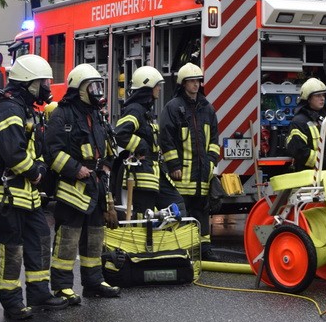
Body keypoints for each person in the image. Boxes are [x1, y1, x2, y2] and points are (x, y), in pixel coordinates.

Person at [0, 54, 68, 321]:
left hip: (27, 193)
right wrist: (35, 172)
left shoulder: (26, 109)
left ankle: (39, 293)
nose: (47, 88)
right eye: (43, 82)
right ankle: (12, 301)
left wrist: (40, 166)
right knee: (11, 247)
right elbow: (12, 152)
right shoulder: (8, 109)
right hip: (9, 192)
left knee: (40, 238)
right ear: (29, 83)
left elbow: (34, 147)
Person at [45, 64, 121, 301]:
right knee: (68, 238)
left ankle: (94, 281)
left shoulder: (97, 114)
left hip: (96, 185)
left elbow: (108, 143)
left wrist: (108, 163)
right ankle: (62, 286)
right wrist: (75, 169)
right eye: (92, 86)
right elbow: (51, 152)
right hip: (72, 188)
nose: (97, 91)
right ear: (79, 89)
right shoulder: (62, 114)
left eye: (99, 85)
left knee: (95, 237)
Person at [159, 63, 220, 262]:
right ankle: (183, 250)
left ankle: (205, 249)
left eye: (197, 81)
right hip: (183, 174)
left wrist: (211, 162)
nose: (195, 85)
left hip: (202, 173)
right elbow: (166, 138)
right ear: (183, 84)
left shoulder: (207, 108)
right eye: (191, 81)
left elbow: (214, 140)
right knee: (183, 212)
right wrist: (174, 165)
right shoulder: (174, 107)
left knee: (203, 211)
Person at [114, 65, 184, 219]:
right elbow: (120, 133)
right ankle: (144, 243)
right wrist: (142, 147)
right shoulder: (135, 110)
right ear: (147, 88)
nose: (159, 88)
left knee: (177, 206)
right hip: (143, 176)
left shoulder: (145, 111)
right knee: (143, 216)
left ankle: (167, 241)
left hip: (154, 173)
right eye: (157, 85)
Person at [286, 77, 326, 171]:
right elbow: (299, 151)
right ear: (308, 98)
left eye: (323, 95)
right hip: (310, 177)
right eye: (318, 96)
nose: (322, 98)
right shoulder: (299, 122)